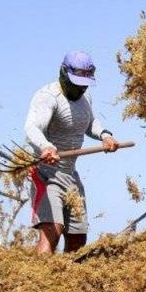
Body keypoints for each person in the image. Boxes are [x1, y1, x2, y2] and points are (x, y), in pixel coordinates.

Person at [24, 50, 121, 254]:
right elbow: (32, 128)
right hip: (45, 174)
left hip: (70, 175)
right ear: (63, 73)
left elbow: (90, 122)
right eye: (77, 83)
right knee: (52, 231)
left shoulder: (86, 98)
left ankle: (69, 274)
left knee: (78, 238)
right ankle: (38, 274)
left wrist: (105, 135)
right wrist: (46, 146)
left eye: (85, 84)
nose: (82, 88)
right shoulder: (48, 97)